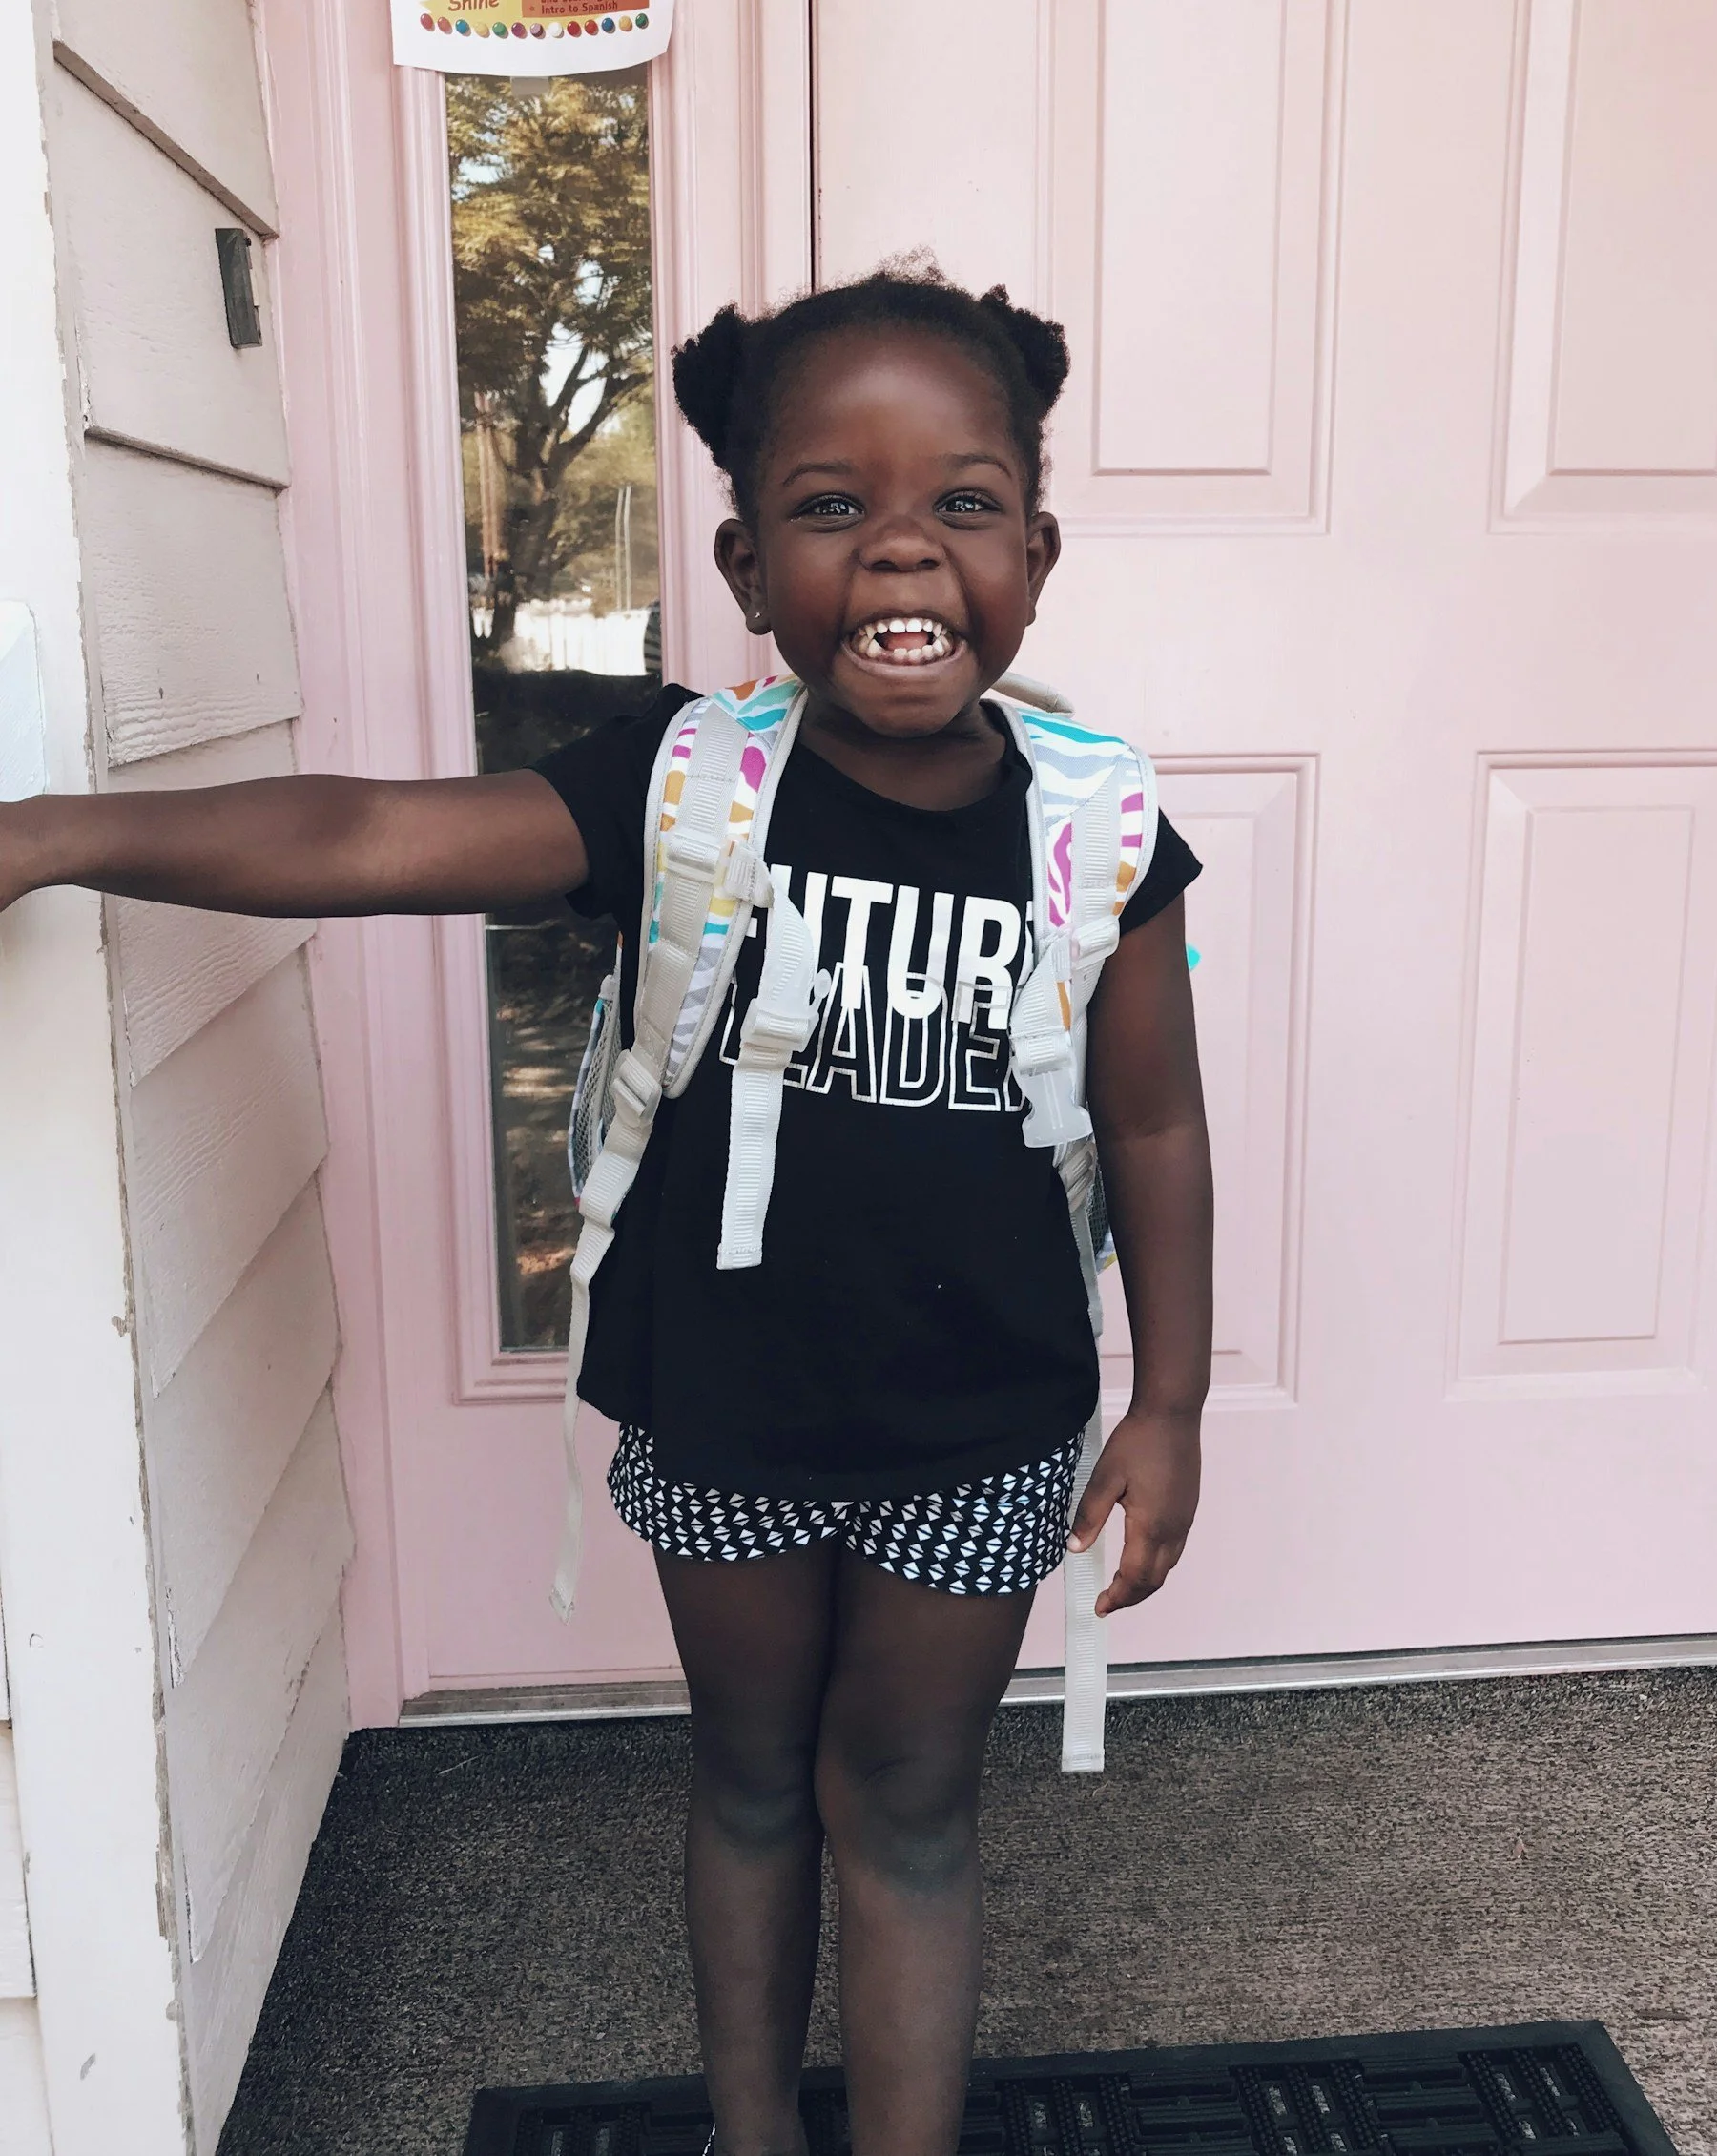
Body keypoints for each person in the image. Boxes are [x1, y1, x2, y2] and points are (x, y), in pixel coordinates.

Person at [0, 265, 1213, 2156]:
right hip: (718, 1398)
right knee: (745, 1781)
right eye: (832, 505)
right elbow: (368, 837)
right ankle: (748, 2130)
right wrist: (57, 832)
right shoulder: (677, 783)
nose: (901, 548)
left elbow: (1148, 1117)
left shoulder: (1097, 828)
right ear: (744, 564)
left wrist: (1171, 1399)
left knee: (903, 1802)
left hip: (985, 1424)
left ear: (1035, 552)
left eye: (960, 501)